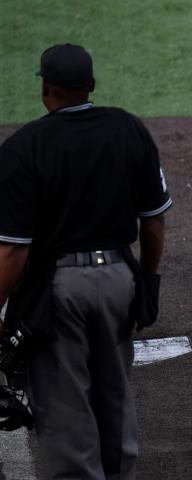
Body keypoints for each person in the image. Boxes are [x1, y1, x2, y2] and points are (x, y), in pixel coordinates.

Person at [0, 43, 170, 479]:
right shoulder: (128, 129)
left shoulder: (23, 148)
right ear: (91, 85)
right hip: (118, 278)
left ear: (44, 89)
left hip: (58, 293)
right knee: (115, 394)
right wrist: (147, 280)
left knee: (65, 407)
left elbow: (14, 250)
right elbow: (153, 223)